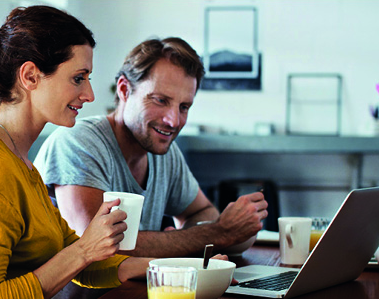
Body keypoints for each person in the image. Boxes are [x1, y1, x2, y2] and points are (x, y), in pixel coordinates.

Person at [0, 6, 153, 299]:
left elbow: (82, 266)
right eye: (78, 78)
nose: (90, 94)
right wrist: (85, 250)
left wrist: (181, 268)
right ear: (31, 76)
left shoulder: (19, 163)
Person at [34, 37, 269, 258]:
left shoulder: (164, 153)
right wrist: (215, 233)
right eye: (160, 100)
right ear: (124, 90)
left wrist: (183, 239)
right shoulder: (78, 142)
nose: (174, 121)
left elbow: (201, 211)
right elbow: (98, 249)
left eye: (184, 107)